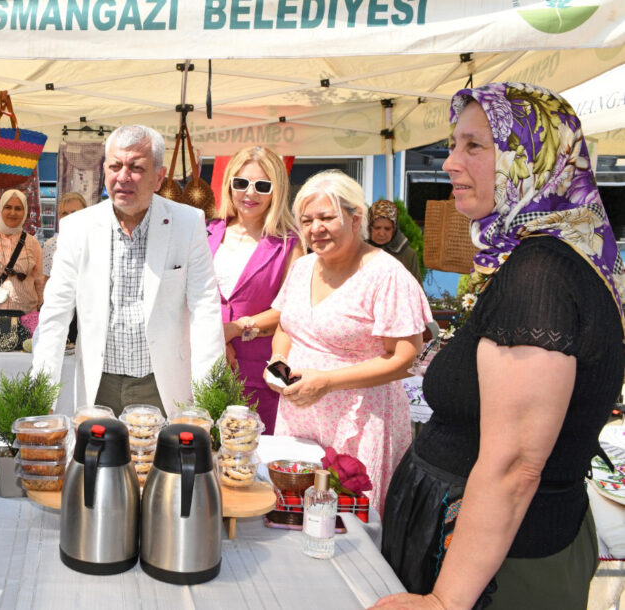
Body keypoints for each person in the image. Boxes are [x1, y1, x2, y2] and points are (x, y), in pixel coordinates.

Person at [375, 83, 625, 610]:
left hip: (498, 573)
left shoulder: (541, 275)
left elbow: (514, 466)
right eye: (453, 145)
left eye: (474, 146)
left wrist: (445, 602)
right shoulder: (555, 259)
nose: (450, 163)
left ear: (530, 159)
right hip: (499, 555)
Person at [32, 124, 224, 416]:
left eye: (136, 167)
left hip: (162, 385)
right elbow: (54, 314)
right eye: (115, 166)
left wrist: (210, 398)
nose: (123, 177)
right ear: (104, 170)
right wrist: (40, 396)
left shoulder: (187, 223)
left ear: (158, 177)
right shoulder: (77, 228)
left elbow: (205, 310)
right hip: (99, 384)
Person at [269, 170, 431, 513]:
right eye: (307, 220)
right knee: (293, 515)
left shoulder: (386, 275)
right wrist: (278, 363)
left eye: (327, 218)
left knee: (348, 523)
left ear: (356, 219)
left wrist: (328, 381)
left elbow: (406, 358)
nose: (315, 228)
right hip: (299, 417)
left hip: (360, 423)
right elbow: (285, 327)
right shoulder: (302, 268)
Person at [206, 146, 302, 434]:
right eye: (241, 183)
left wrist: (236, 329)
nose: (250, 193)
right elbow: (189, 297)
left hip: (259, 374)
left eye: (262, 186)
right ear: (229, 185)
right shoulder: (206, 231)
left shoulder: (289, 243)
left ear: (276, 191)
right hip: (204, 364)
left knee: (253, 454)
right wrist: (219, 339)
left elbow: (291, 310)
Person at [367, 199, 421, 280]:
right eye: (377, 228)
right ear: (370, 227)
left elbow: (416, 286)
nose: (382, 233)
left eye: (387, 229)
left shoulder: (408, 255)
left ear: (394, 229)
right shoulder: (360, 251)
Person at [42, 191, 89, 281]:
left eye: (74, 212)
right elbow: (47, 280)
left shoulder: (97, 241)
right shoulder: (50, 245)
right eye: (64, 213)